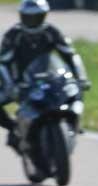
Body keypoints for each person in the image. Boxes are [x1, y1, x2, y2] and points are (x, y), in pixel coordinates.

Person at [0, 0, 91, 152]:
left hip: (49, 78)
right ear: (22, 16)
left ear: (44, 15)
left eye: (36, 17)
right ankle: (13, 127)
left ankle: (74, 123)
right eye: (28, 17)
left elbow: (70, 55)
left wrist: (81, 77)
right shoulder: (13, 35)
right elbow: (3, 63)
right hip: (20, 83)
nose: (32, 21)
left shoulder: (51, 32)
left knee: (75, 91)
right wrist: (10, 85)